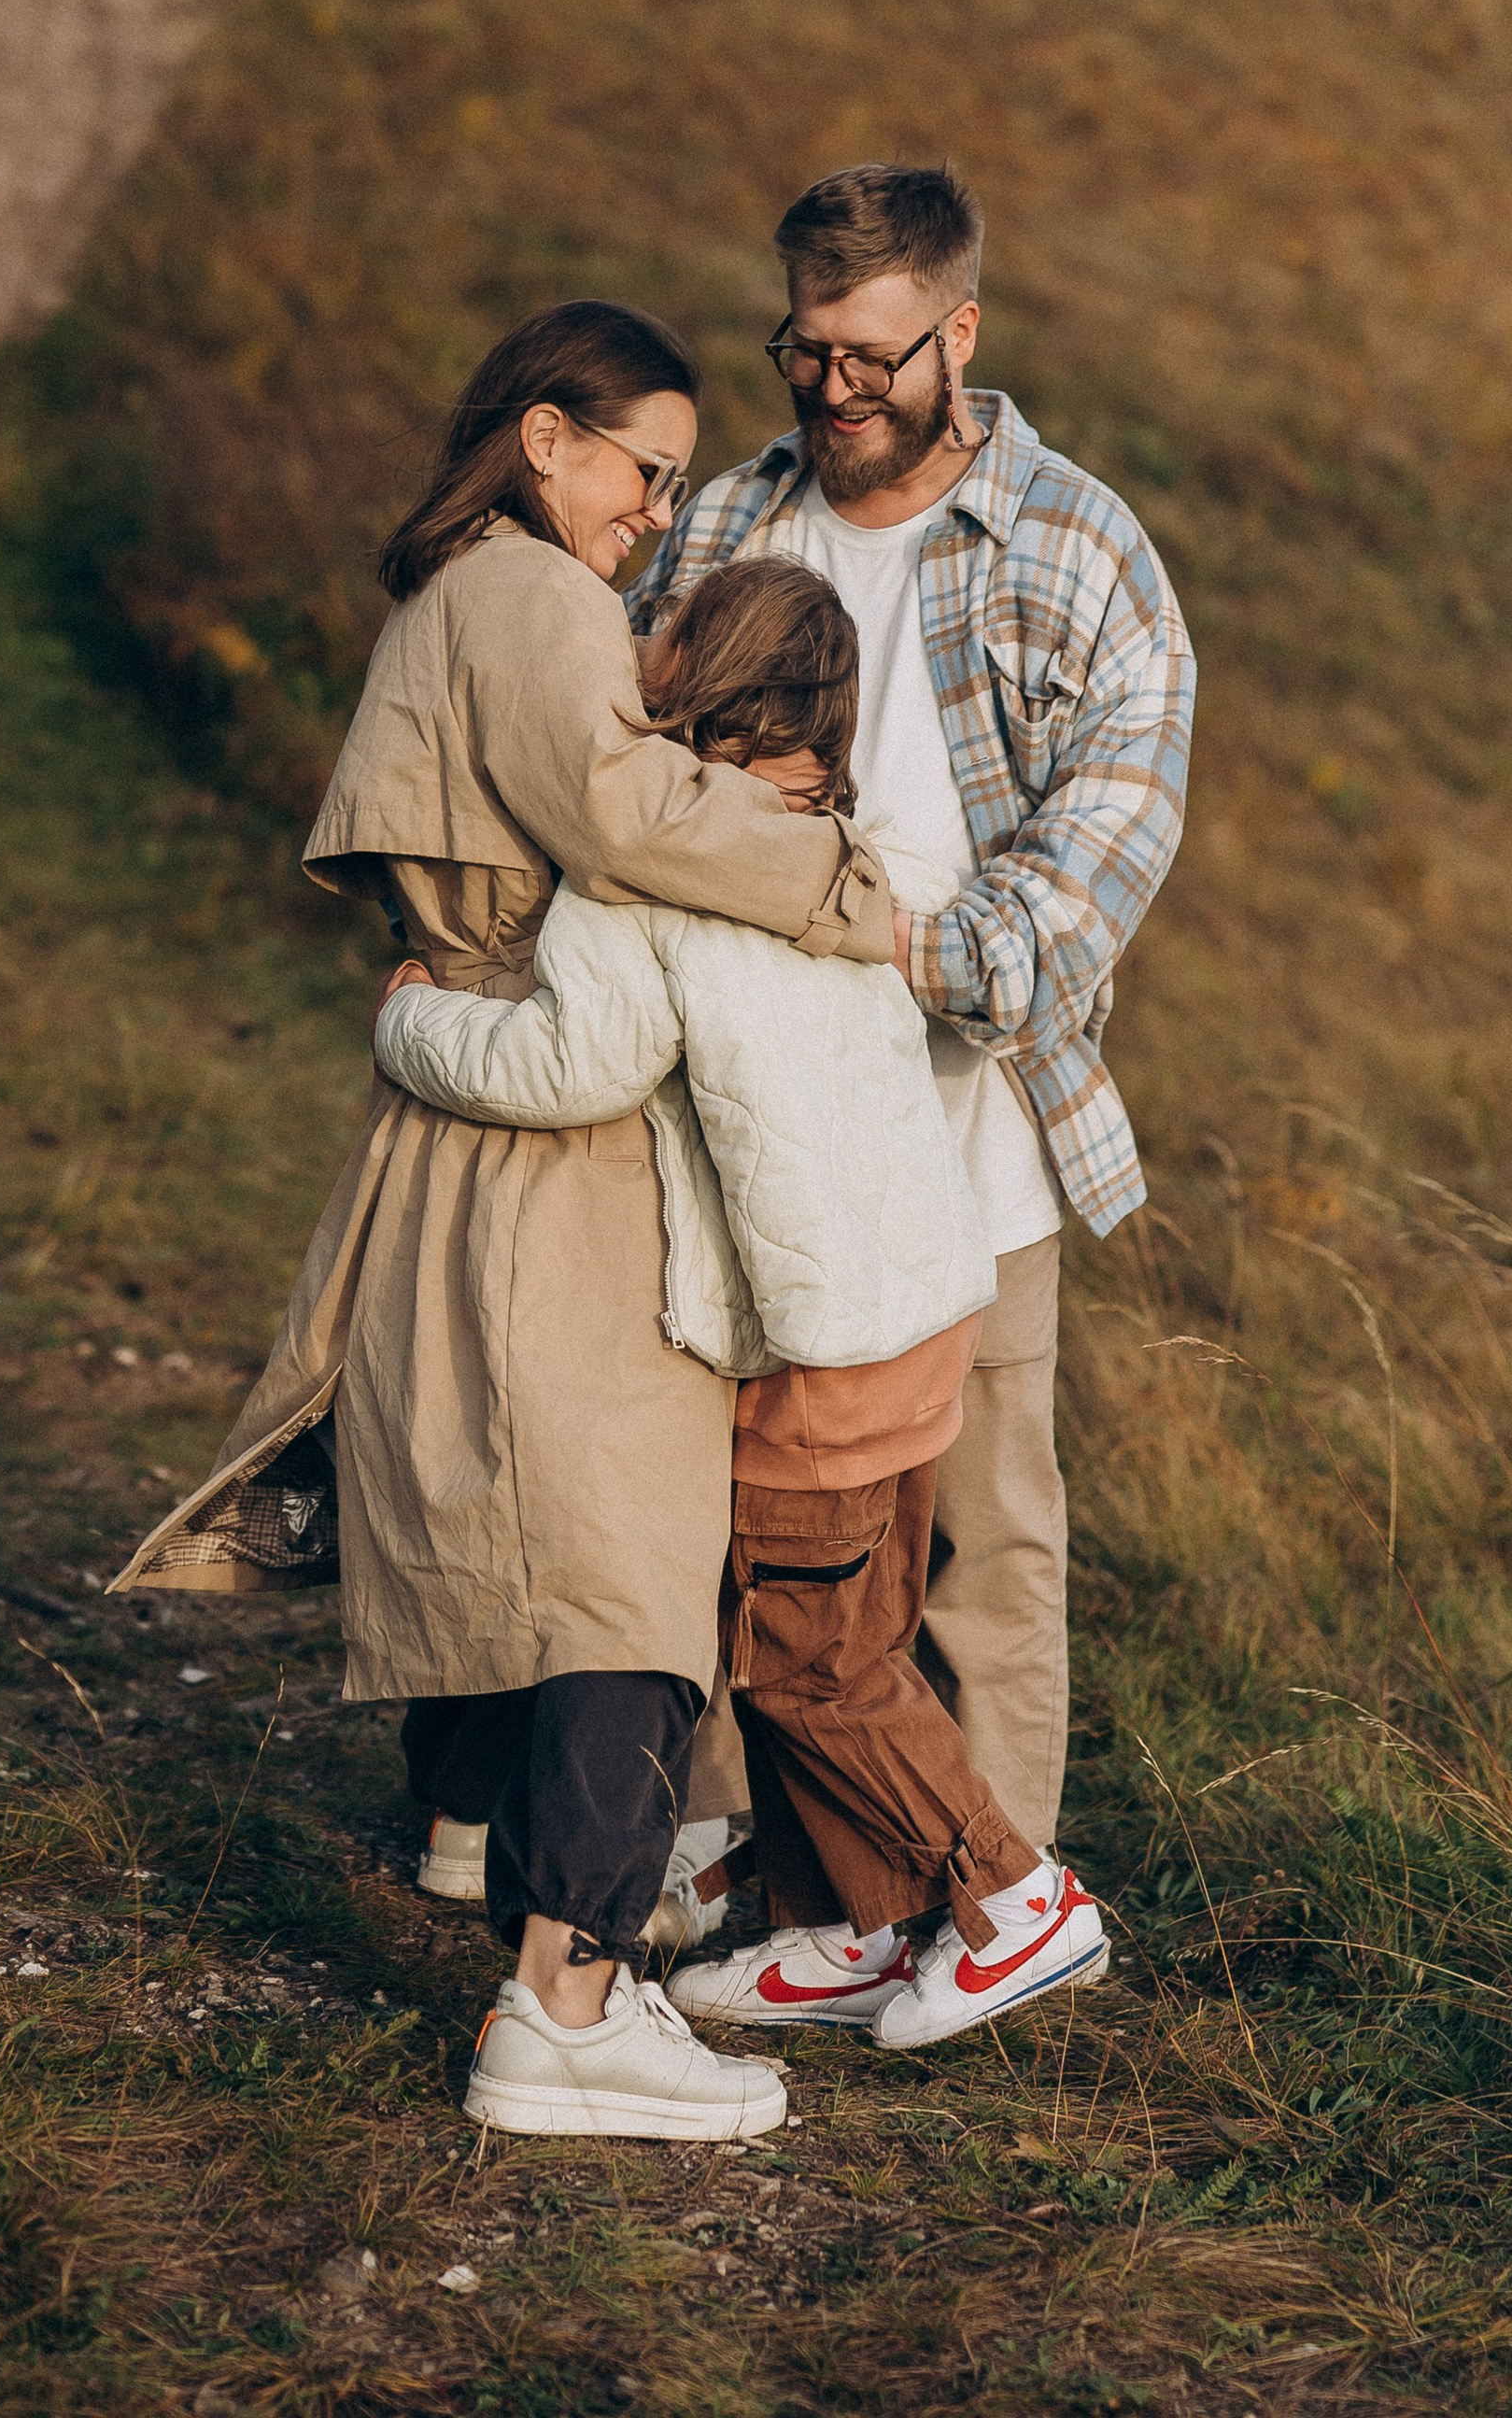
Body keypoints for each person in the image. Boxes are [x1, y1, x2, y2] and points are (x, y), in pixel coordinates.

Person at [113, 303, 896, 2145]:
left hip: (498, 1121)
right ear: (546, 439)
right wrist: (840, 880)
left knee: (537, 1528)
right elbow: (621, 814)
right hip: (547, 1151)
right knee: (617, 1571)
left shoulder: (465, 598)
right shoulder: (532, 598)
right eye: (644, 468)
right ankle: (561, 2009)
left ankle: (495, 1855)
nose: (655, 514)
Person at [376, 559, 1110, 2053]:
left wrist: (417, 1022)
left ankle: (1014, 1898)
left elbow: (570, 1068)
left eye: (664, 626)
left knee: (801, 1662)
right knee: (861, 1632)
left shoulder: (642, 879)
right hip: (926, 1314)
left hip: (821, 1348)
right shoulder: (860, 850)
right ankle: (852, 1921)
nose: (635, 640)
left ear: (698, 673)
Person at [627, 165, 1194, 1860]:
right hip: (725, 1112)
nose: (836, 393)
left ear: (960, 332)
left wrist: (831, 917)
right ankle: (722, 1870)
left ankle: (990, 1901)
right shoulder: (727, 524)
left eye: (874, 357)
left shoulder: (1083, 553)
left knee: (983, 1541)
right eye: (805, 354)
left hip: (975, 1138)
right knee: (712, 1503)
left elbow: (1064, 914)